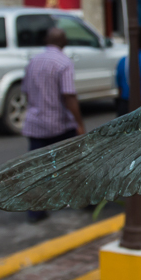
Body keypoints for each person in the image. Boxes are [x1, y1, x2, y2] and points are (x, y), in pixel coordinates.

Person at [20, 26, 86, 222]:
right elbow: (69, 96)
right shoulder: (63, 62)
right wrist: (79, 123)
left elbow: (25, 90)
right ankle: (86, 199)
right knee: (77, 162)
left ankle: (35, 211)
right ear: (63, 41)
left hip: (35, 124)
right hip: (59, 124)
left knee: (37, 169)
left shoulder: (33, 61)